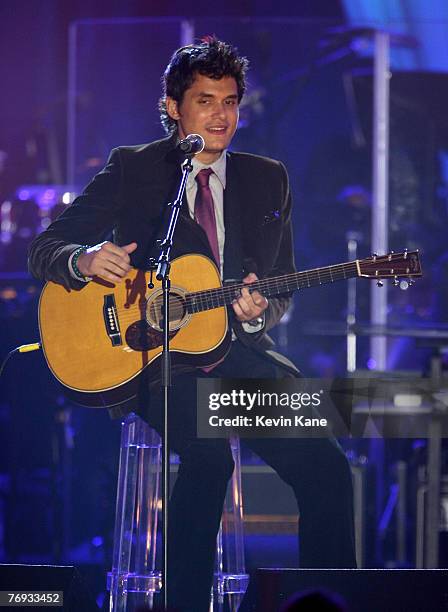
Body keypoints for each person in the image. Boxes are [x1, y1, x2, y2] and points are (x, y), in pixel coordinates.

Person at [29, 37, 356, 612]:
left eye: (230, 102)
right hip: (149, 360)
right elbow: (47, 246)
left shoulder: (267, 177)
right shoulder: (135, 168)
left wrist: (258, 315)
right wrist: (83, 259)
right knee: (208, 457)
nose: (222, 116)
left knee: (328, 466)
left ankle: (331, 601)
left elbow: (279, 283)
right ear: (173, 106)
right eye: (206, 101)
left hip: (237, 355)